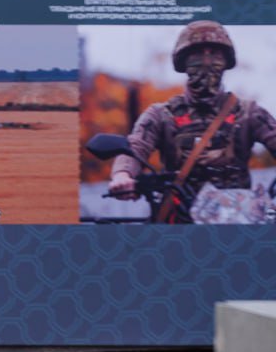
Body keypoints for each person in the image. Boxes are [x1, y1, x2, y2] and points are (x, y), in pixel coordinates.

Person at [109, 20, 276, 222]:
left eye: (215, 53)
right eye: (197, 54)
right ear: (183, 61)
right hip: (177, 224)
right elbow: (136, 146)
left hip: (236, 222)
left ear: (226, 61)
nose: (206, 61)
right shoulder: (161, 115)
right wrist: (123, 176)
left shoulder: (248, 113)